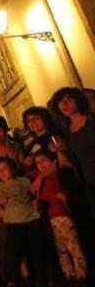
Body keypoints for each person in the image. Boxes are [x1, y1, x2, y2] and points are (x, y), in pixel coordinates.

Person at [31, 150, 87, 287]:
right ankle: (70, 278)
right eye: (37, 162)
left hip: (62, 215)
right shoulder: (37, 177)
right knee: (61, 250)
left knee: (73, 247)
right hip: (49, 218)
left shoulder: (55, 174)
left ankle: (82, 278)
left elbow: (61, 162)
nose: (41, 164)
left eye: (44, 160)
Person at [0, 158, 46, 287]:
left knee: (37, 251)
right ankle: (12, 282)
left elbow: (35, 196)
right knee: (13, 253)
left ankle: (40, 282)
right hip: (14, 222)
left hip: (31, 219)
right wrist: (2, 203)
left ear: (12, 168)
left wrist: (36, 204)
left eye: (4, 169)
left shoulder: (24, 181)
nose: (2, 173)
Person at [51, 87, 95, 222]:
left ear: (78, 101)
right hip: (88, 182)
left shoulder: (91, 121)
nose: (64, 105)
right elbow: (70, 161)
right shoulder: (65, 130)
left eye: (68, 100)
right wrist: (61, 150)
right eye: (60, 102)